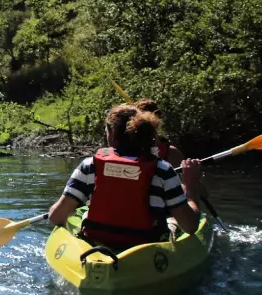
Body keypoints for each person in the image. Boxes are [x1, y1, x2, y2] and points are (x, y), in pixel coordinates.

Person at [47, 104, 203, 248]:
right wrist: (190, 187)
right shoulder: (163, 170)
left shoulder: (90, 165)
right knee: (172, 221)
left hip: (98, 245)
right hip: (145, 249)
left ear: (112, 134)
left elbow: (55, 217)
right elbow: (190, 226)